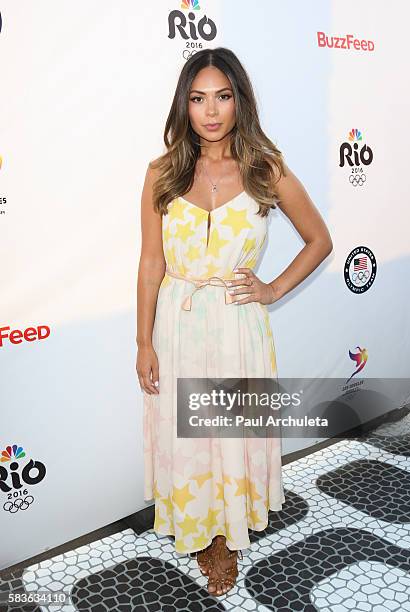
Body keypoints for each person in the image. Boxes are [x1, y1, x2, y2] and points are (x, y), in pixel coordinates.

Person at [136, 47, 333, 597]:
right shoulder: (161, 172)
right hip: (177, 324)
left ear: (239, 100)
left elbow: (320, 241)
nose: (211, 111)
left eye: (222, 96)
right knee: (186, 438)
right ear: (185, 105)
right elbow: (151, 261)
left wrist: (271, 289)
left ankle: (225, 540)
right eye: (198, 99)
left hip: (236, 329)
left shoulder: (264, 168)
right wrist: (142, 342)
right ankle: (197, 527)